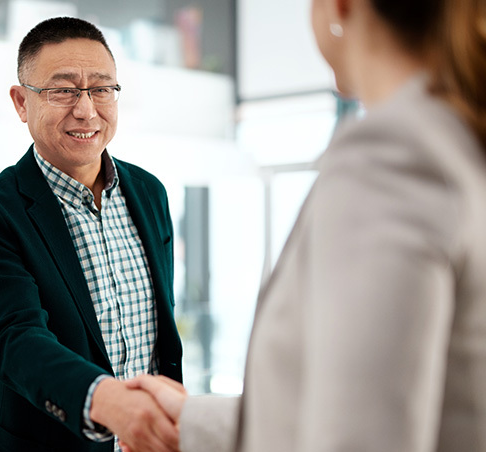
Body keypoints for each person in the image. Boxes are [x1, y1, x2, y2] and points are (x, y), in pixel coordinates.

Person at [126, 0, 486, 450]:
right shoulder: (458, 142)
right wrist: (191, 420)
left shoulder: (393, 158)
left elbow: (361, 439)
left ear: (341, 6)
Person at [0, 16, 183, 452]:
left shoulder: (150, 193)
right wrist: (108, 403)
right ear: (21, 103)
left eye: (100, 88)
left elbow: (158, 330)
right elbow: (16, 341)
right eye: (63, 90)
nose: (86, 109)